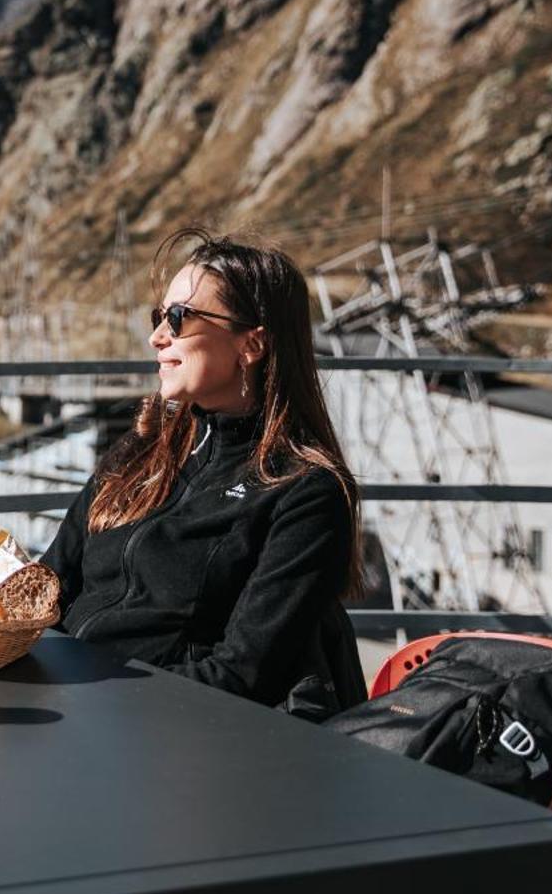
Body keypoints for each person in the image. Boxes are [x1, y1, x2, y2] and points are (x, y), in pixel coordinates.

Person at [41, 227, 365, 719]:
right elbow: (49, 587)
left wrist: (96, 699)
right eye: (159, 317)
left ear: (250, 345)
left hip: (165, 735)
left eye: (179, 318)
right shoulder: (138, 452)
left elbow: (241, 675)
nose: (157, 337)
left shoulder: (305, 492)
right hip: (65, 702)